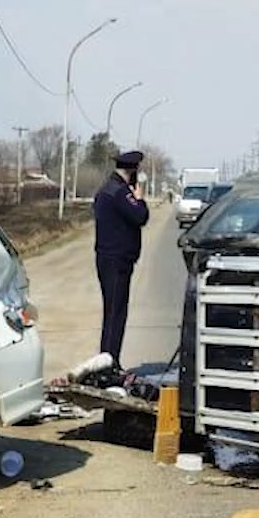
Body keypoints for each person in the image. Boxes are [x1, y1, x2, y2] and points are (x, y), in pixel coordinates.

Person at [92, 149, 149, 372]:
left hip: (107, 258)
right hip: (117, 261)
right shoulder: (120, 192)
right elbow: (140, 216)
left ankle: (107, 360)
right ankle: (109, 363)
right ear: (132, 171)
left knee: (111, 311)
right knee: (116, 314)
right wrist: (140, 199)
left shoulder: (106, 189)